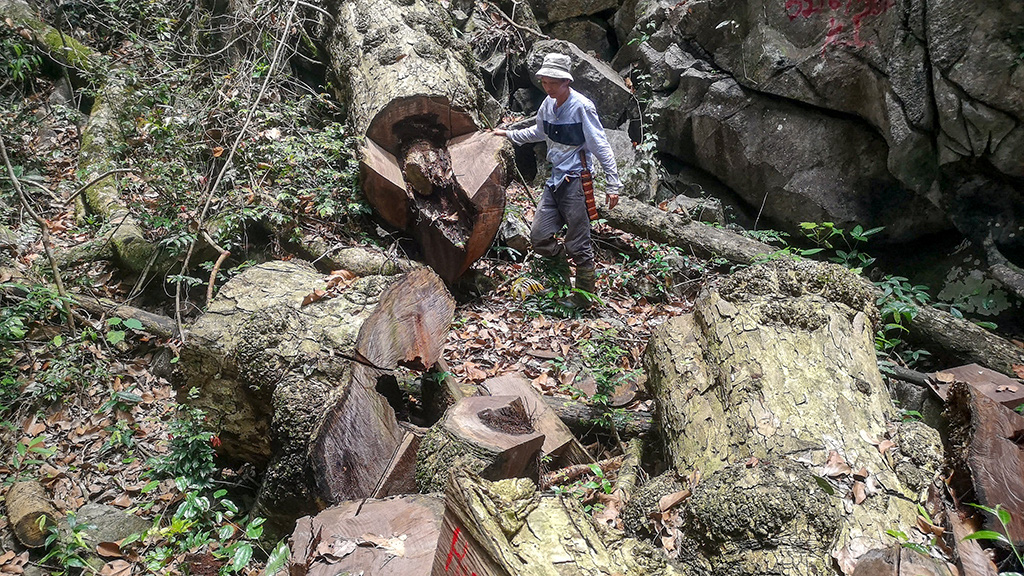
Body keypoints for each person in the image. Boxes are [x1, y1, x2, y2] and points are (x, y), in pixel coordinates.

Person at [493, 52, 621, 306]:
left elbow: (600, 145)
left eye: (553, 82)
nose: (547, 87)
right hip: (554, 181)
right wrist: (507, 134)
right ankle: (560, 281)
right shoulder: (547, 105)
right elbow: (538, 132)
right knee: (539, 235)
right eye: (544, 82)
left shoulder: (582, 107)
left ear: (566, 82)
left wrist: (613, 183)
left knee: (578, 242)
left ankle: (584, 299)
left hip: (576, 181)